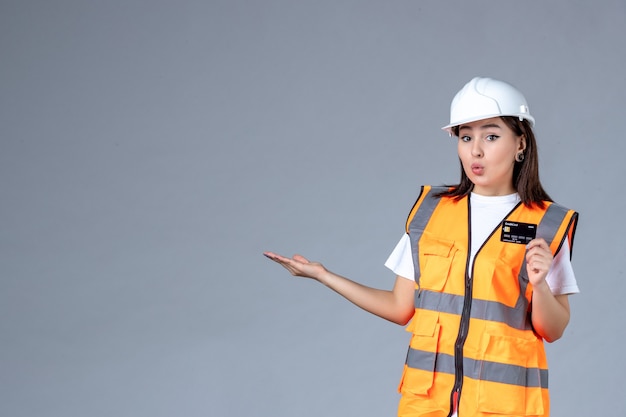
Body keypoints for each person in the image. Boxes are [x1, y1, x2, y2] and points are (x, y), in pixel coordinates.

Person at [264, 77, 579, 417]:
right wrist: (324, 276)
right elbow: (401, 307)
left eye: (491, 135)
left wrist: (540, 286)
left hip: (503, 408)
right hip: (427, 404)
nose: (475, 150)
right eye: (465, 136)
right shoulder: (431, 213)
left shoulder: (546, 224)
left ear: (521, 143)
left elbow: (554, 329)